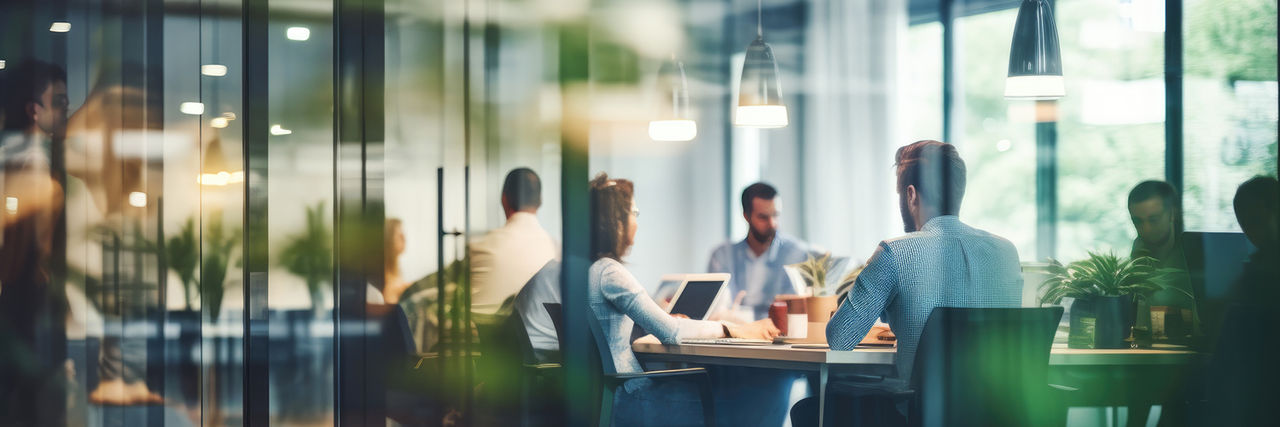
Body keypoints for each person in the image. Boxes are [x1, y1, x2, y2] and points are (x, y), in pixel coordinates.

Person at [794, 140, 1022, 426]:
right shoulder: (1006, 253)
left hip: (923, 415)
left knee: (809, 409)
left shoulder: (895, 253)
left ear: (911, 195)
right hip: (998, 413)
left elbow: (840, 338)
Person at [587, 173, 778, 426]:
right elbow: (673, 333)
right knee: (716, 393)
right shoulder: (610, 273)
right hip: (630, 395)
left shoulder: (588, 271)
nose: (637, 221)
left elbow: (612, 328)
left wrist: (662, 319)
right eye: (634, 213)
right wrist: (733, 329)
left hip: (603, 395)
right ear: (615, 222)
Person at [708, 182, 815, 319]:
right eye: (763, 217)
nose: (772, 224)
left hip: (777, 334)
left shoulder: (796, 254)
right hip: (732, 333)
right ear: (746, 216)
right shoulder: (722, 256)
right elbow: (717, 310)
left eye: (776, 215)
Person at [470, 168, 558, 314]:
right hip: (538, 336)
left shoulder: (479, 248)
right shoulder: (556, 251)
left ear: (503, 199)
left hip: (480, 335)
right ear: (540, 201)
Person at [1230, 176, 1279, 303]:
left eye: (1256, 221)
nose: (1252, 232)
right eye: (1245, 225)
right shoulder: (1255, 271)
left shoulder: (1257, 274)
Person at [383, 218, 411, 303]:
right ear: (388, 239)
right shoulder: (386, 281)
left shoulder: (397, 273)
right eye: (399, 235)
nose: (404, 238)